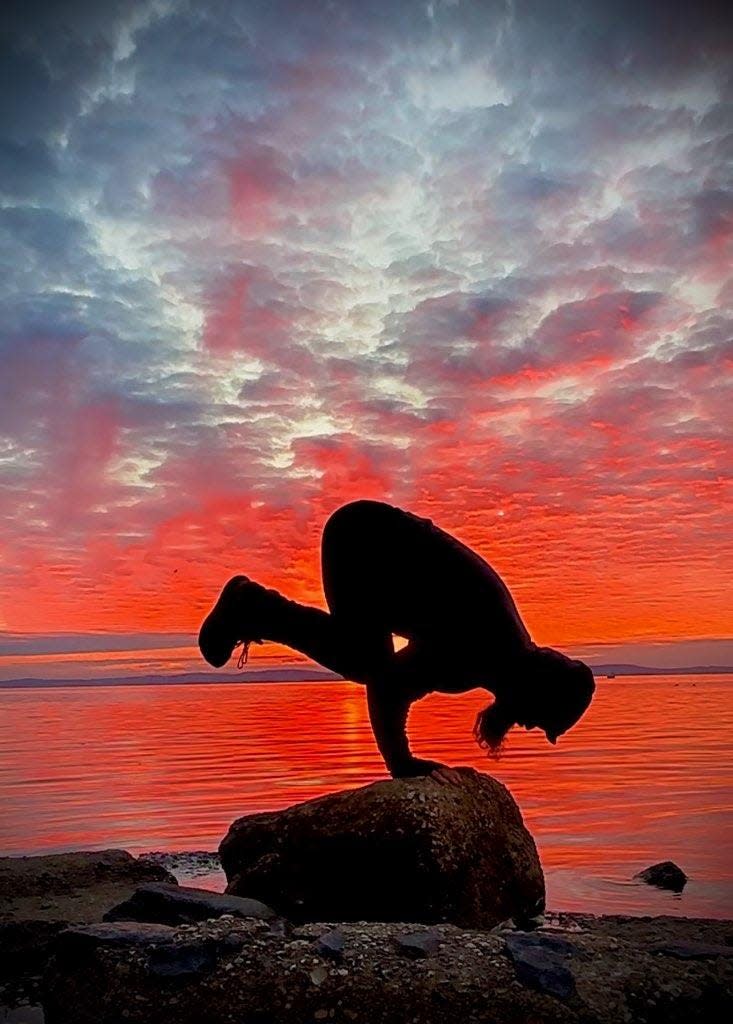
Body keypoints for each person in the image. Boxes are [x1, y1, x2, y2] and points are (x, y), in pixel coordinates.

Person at [198, 499, 595, 778]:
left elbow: (397, 684)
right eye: (541, 720)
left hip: (371, 542)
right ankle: (252, 605)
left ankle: (254, 608)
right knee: (366, 662)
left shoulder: (493, 658)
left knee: (364, 658)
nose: (529, 727)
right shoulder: (484, 649)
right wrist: (401, 762)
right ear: (538, 690)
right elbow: (388, 685)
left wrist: (402, 758)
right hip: (364, 539)